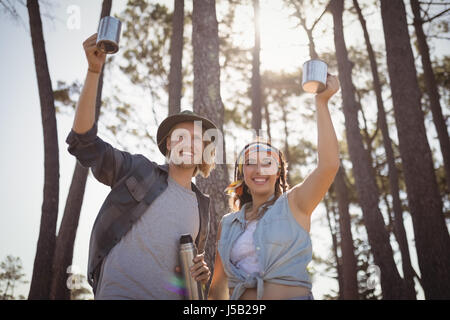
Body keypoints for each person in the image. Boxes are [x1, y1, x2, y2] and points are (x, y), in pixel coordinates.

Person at [66, 33, 214, 299]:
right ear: (168, 144)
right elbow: (84, 142)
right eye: (180, 136)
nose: (187, 143)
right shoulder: (138, 170)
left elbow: (188, 274)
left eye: (196, 139)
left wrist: (200, 272)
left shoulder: (202, 207)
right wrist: (93, 71)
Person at [208, 74, 340, 300]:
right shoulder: (227, 224)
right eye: (250, 163)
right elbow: (217, 289)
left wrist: (321, 102)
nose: (259, 170)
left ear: (278, 172)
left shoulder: (295, 203)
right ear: (242, 174)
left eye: (267, 163)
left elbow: (328, 165)